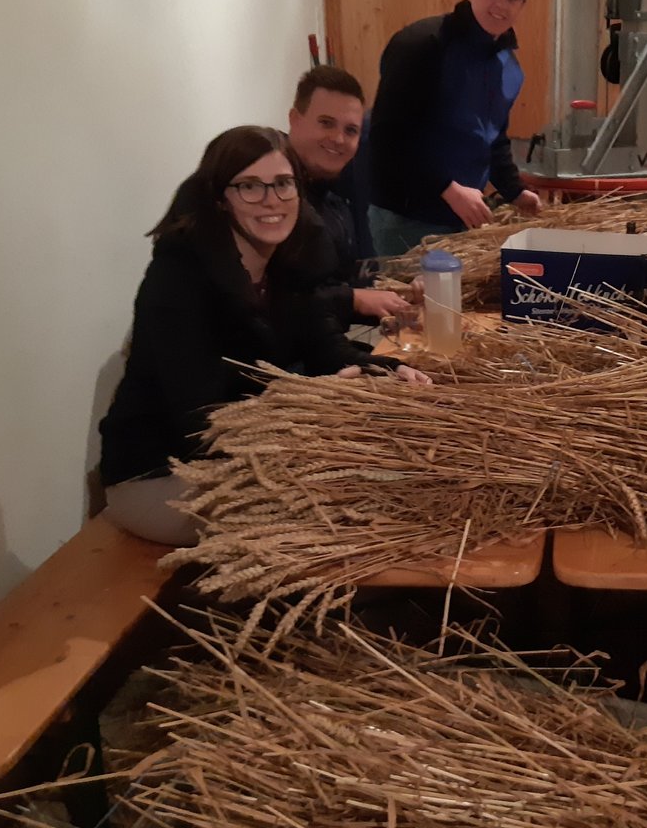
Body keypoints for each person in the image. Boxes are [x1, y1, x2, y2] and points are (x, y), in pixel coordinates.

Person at [99, 125, 430, 546]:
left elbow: (329, 351)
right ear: (220, 197)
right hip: (164, 474)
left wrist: (389, 370)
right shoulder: (178, 279)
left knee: (392, 469)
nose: (271, 200)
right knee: (351, 506)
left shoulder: (289, 263)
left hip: (252, 451)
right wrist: (308, 403)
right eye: (250, 186)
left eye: (283, 184)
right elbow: (200, 421)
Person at [367, 0, 542, 256]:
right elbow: (389, 136)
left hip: (462, 218)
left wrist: (515, 191)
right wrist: (446, 188)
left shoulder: (508, 67)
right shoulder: (422, 45)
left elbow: (493, 140)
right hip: (407, 218)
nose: (501, 4)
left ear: (522, 5)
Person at [286, 65, 413, 325]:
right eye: (326, 123)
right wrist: (352, 299)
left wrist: (402, 291)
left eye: (351, 130)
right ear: (294, 120)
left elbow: (345, 285)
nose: (339, 139)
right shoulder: (271, 195)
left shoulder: (334, 201)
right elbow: (271, 302)